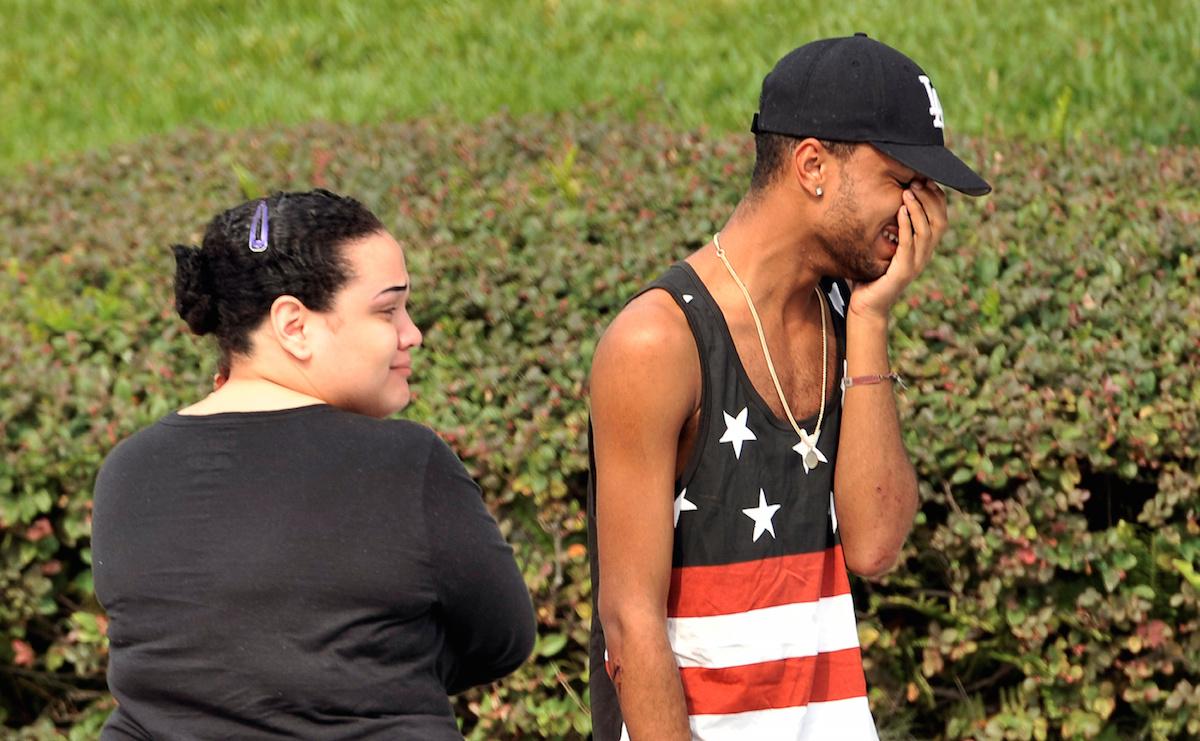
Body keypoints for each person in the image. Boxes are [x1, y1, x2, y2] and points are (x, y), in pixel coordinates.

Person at [586, 34, 991, 740]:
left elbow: (874, 546)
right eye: (904, 181)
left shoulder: (847, 310)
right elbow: (630, 622)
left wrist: (870, 321)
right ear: (813, 166)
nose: (921, 215)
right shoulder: (658, 342)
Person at [92, 190, 536, 740]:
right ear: (294, 326)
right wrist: (376, 669)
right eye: (387, 309)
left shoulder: (128, 470)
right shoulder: (404, 463)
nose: (411, 333)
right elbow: (503, 639)